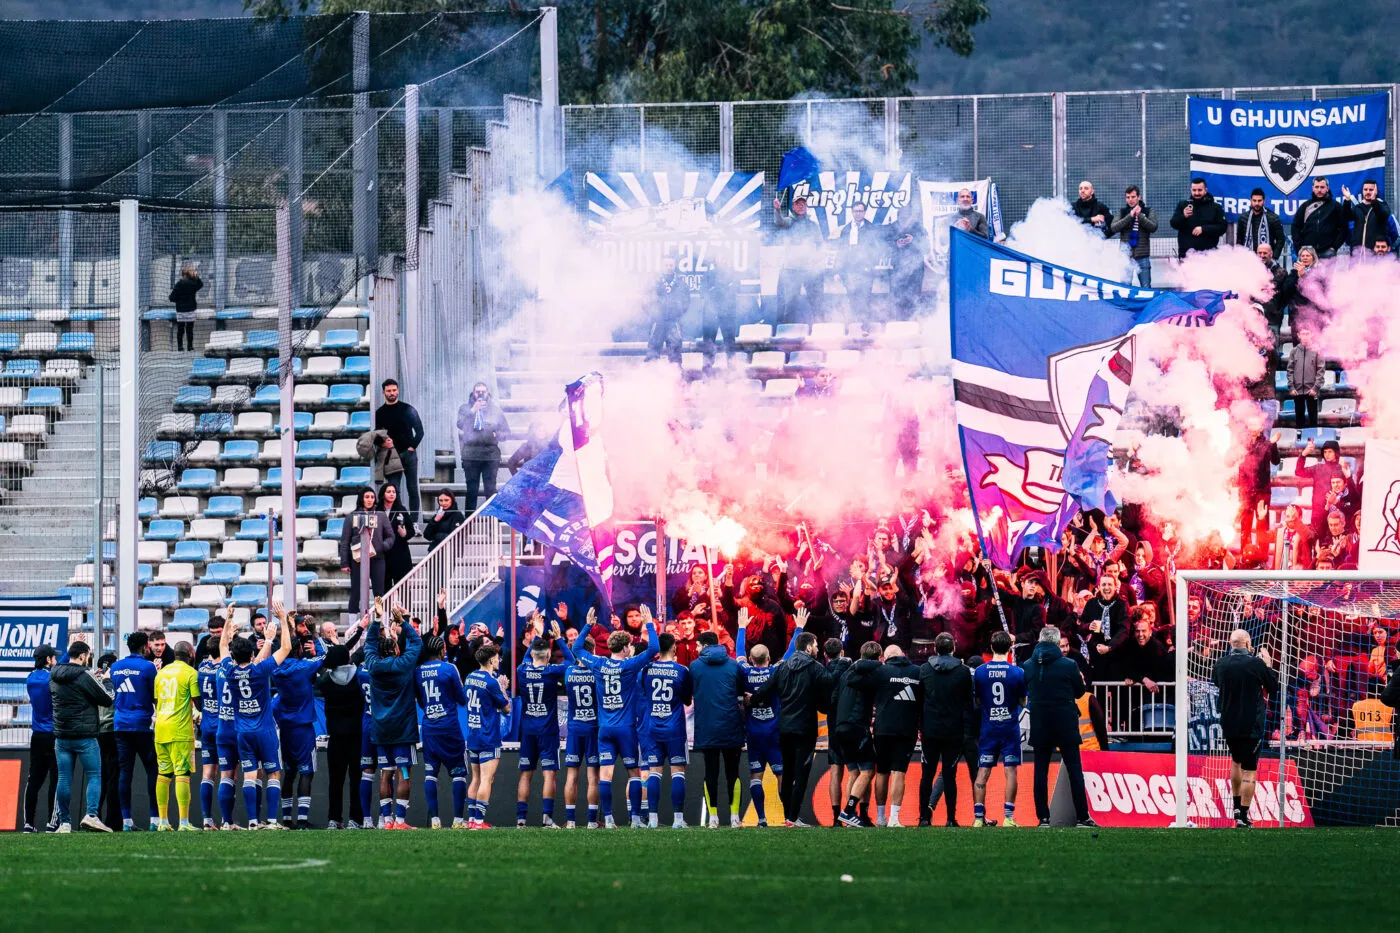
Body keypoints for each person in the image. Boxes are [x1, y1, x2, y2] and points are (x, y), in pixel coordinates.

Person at [572, 608, 658, 828]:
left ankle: (608, 819)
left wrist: (587, 626)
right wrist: (648, 623)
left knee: (606, 775)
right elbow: (654, 648)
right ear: (626, 647)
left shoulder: (599, 664)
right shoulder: (629, 665)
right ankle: (636, 819)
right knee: (634, 774)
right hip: (626, 729)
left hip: (605, 729)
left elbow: (576, 648)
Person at [220, 602, 293, 829]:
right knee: (273, 773)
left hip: (243, 731)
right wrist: (281, 620)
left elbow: (223, 645)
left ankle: (252, 822)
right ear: (252, 654)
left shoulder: (229, 671)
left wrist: (228, 619)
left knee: (249, 775)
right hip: (265, 730)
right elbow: (287, 649)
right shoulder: (259, 669)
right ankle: (271, 821)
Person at [749, 628, 829, 827]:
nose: (818, 649)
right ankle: (793, 818)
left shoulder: (782, 668)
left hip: (784, 727)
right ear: (809, 646)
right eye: (816, 645)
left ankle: (788, 817)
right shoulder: (815, 667)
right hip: (806, 728)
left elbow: (764, 690)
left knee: (788, 773)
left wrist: (751, 701)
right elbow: (828, 691)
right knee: (801, 773)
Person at [736, 611, 803, 827]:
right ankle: (787, 818)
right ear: (767, 659)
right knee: (781, 775)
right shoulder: (775, 671)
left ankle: (762, 819)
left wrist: (741, 628)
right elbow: (790, 653)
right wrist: (799, 629)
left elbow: (738, 654)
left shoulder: (745, 671)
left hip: (754, 734)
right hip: (775, 732)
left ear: (751, 659)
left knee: (755, 776)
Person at [1024, 625, 1095, 826]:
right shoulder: (1069, 665)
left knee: (1040, 771)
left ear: (1039, 640)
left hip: (1040, 722)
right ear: (1056, 643)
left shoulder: (1028, 665)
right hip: (1065, 721)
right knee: (1074, 769)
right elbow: (1081, 692)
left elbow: (1026, 688)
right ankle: (1082, 817)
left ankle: (1043, 818)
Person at [1211, 628, 1280, 827]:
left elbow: (1216, 683)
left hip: (1229, 722)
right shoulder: (1256, 664)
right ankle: (1243, 814)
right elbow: (1273, 688)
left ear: (1231, 644)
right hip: (1252, 723)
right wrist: (1268, 665)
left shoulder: (1220, 664)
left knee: (1235, 761)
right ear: (1248, 644)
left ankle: (1234, 807)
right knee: (1250, 769)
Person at [363, 603, 423, 830]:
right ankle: (399, 821)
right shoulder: (404, 664)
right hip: (403, 730)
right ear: (397, 649)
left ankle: (386, 821)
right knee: (404, 773)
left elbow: (369, 643)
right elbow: (417, 642)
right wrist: (403, 622)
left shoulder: (373, 665)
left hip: (380, 729)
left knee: (385, 774)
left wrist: (378, 619)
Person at [49, 641, 115, 832]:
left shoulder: (53, 675)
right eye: (88, 655)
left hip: (62, 736)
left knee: (63, 778)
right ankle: (92, 815)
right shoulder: (84, 675)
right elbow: (107, 698)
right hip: (85, 735)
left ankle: (65, 822)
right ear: (83, 656)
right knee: (94, 775)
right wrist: (107, 680)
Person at [689, 627, 747, 828]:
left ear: (704, 646)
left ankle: (712, 818)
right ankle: (734, 817)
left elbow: (689, 693)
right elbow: (741, 691)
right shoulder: (733, 665)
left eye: (697, 646)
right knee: (733, 773)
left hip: (706, 728)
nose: (695, 649)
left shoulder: (694, 667)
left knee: (710, 772)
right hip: (731, 726)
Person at [271, 610, 323, 830]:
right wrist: (313, 635)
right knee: (306, 772)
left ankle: (285, 819)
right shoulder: (305, 667)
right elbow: (323, 657)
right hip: (303, 727)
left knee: (289, 772)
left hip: (285, 728)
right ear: (299, 649)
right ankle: (302, 819)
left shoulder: (276, 669)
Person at [515, 623, 570, 828]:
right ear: (548, 656)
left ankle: (521, 820)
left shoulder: (522, 670)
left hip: (528, 731)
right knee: (549, 774)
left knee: (525, 774)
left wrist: (536, 636)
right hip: (547, 731)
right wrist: (559, 639)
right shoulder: (551, 671)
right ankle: (547, 819)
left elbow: (526, 658)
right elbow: (572, 660)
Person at [918, 632, 973, 827]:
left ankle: (924, 817)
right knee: (950, 775)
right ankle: (950, 818)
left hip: (930, 730)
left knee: (927, 774)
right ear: (953, 649)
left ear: (935, 648)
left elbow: (918, 701)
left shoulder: (924, 670)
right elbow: (969, 703)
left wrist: (920, 726)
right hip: (953, 730)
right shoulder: (963, 671)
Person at [971, 630, 1025, 827]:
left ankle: (978, 818)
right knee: (1010, 771)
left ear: (992, 648)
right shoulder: (1017, 672)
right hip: (1009, 728)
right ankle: (1008, 818)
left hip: (989, 728)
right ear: (1010, 648)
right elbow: (1023, 700)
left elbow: (977, 700)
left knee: (983, 771)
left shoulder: (980, 672)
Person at [639, 632, 693, 828]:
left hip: (653, 727)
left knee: (654, 772)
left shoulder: (647, 670)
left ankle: (652, 819)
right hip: (675, 728)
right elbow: (688, 698)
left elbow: (645, 692)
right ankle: (678, 820)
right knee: (678, 773)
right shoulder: (682, 671)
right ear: (674, 648)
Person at [415, 633, 469, 829]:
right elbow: (462, 699)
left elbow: (420, 700)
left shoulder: (418, 671)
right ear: (441, 650)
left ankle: (435, 820)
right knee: (459, 774)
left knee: (430, 774)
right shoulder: (449, 669)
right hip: (450, 729)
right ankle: (457, 820)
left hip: (429, 728)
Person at [111, 631, 158, 831]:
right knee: (152, 771)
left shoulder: (115, 667)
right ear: (145, 646)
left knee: (125, 773)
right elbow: (155, 695)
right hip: (142, 725)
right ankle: (155, 820)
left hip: (121, 724)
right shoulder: (148, 667)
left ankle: (126, 821)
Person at [152, 641, 201, 831]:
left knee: (163, 774)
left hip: (161, 729)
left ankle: (163, 822)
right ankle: (184, 823)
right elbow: (199, 704)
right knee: (183, 773)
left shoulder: (161, 673)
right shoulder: (191, 673)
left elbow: (156, 701)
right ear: (190, 654)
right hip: (180, 730)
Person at [871, 644, 922, 827]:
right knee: (899, 772)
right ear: (902, 654)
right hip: (906, 729)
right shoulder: (917, 672)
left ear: (885, 658)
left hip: (882, 728)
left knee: (882, 772)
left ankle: (880, 817)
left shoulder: (880, 671)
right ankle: (894, 818)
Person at [832, 641, 881, 827]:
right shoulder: (872, 671)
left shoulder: (846, 673)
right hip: (856, 727)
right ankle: (849, 811)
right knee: (868, 771)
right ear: (878, 656)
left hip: (841, 727)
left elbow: (834, 698)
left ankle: (857, 817)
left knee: (854, 772)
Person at [316, 643, 365, 830]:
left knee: (335, 781)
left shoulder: (326, 682)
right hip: (356, 736)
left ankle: (334, 818)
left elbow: (320, 674)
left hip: (335, 737)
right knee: (356, 780)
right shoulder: (358, 679)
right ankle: (356, 818)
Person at [463, 642, 511, 829]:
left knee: (475, 779)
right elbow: (506, 708)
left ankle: (472, 820)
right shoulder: (492, 682)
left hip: (473, 735)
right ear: (491, 660)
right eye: (497, 658)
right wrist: (504, 688)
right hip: (488, 736)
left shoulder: (469, 677)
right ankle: (479, 821)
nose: (499, 660)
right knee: (486, 779)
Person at [561, 626, 602, 828]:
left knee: (572, 775)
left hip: (574, 728)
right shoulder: (597, 673)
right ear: (592, 651)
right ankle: (592, 822)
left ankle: (570, 821)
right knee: (593, 775)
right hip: (593, 727)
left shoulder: (568, 672)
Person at [374, 378, 425, 520]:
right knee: (393, 491)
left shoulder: (408, 409)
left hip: (409, 455)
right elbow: (375, 435)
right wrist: (382, 443)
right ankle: (398, 520)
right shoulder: (379, 413)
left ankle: (414, 522)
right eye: (389, 391)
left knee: (413, 489)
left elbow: (420, 431)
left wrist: (411, 448)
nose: (392, 393)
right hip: (390, 456)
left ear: (398, 390)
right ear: (384, 392)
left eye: (394, 390)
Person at [773, 194, 828, 324]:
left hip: (810, 270)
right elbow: (779, 222)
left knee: (817, 302)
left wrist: (818, 261)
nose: (801, 205)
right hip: (792, 270)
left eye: (803, 203)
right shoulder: (788, 222)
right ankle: (786, 331)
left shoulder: (813, 225)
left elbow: (820, 244)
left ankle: (820, 329)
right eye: (798, 203)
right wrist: (777, 210)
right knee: (791, 302)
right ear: (793, 206)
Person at [339, 487, 394, 616]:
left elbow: (391, 536)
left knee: (379, 592)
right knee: (356, 592)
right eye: (367, 497)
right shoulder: (351, 517)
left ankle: (380, 623)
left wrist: (382, 546)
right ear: (361, 498)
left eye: (372, 497)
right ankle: (353, 625)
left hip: (377, 558)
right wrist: (344, 563)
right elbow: (345, 541)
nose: (370, 500)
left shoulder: (381, 516)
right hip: (357, 559)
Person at [456, 381, 508, 513]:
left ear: (487, 393)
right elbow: (460, 424)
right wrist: (473, 410)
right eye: (477, 391)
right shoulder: (465, 408)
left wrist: (497, 435)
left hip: (490, 455)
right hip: (471, 454)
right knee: (471, 490)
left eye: (483, 391)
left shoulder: (495, 410)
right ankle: (468, 524)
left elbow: (507, 432)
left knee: (490, 490)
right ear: (473, 393)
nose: (480, 394)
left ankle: (493, 523)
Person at [23, 645, 57, 833]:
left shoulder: (30, 679)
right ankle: (52, 823)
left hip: (37, 735)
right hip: (53, 734)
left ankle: (28, 823)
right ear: (48, 660)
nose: (56, 661)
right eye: (54, 658)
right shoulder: (51, 679)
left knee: (33, 780)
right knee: (56, 779)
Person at [837, 201, 883, 315]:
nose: (858, 213)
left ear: (864, 212)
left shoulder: (871, 228)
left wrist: (871, 264)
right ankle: (854, 325)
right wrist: (838, 271)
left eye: (860, 211)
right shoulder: (846, 230)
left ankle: (864, 328)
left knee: (865, 299)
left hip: (866, 271)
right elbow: (841, 251)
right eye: (855, 211)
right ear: (852, 212)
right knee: (852, 299)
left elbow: (877, 249)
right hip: (849, 272)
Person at [1109, 185, 1157, 287]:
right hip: (1126, 256)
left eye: (1133, 197)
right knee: (1125, 288)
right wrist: (1130, 216)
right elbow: (1114, 227)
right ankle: (1125, 303)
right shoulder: (1122, 212)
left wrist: (1140, 216)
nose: (1130, 200)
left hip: (1143, 256)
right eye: (1128, 197)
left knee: (1146, 288)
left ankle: (1146, 304)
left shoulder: (1148, 211)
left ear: (1139, 197)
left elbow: (1153, 227)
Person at [1169, 177, 1227, 258]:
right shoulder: (1183, 205)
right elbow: (1173, 224)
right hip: (1186, 255)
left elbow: (1222, 228)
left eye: (1200, 190)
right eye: (1194, 190)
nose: (1196, 193)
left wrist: (1203, 229)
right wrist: (1183, 216)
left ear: (1205, 190)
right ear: (1190, 190)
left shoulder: (1216, 207)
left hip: (1209, 254)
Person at [1291, 176, 1347, 258]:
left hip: (1328, 252)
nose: (1319, 190)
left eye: (1322, 187)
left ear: (1327, 188)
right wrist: (1299, 247)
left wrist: (1334, 247)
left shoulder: (1335, 206)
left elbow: (1344, 228)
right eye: (1317, 187)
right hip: (1308, 253)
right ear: (1312, 188)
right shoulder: (1305, 206)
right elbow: (1295, 227)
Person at [646, 255, 689, 363]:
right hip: (658, 321)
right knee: (653, 348)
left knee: (675, 348)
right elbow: (645, 300)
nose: (668, 267)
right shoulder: (653, 281)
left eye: (671, 265)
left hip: (674, 321)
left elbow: (687, 300)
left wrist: (678, 313)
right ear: (662, 266)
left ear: (674, 266)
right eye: (666, 265)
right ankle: (651, 373)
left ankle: (675, 373)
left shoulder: (680, 282)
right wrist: (653, 314)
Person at [380, 483, 415, 590]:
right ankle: (382, 608)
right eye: (389, 492)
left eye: (394, 492)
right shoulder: (377, 509)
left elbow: (411, 530)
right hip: (383, 556)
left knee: (403, 590)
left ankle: (404, 607)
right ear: (383, 494)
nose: (391, 494)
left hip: (400, 556)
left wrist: (405, 534)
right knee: (383, 590)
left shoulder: (401, 509)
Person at [357, 428, 404, 504]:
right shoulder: (382, 438)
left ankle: (399, 510)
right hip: (392, 468)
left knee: (394, 492)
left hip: (393, 469)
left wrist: (379, 478)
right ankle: (396, 510)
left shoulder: (383, 440)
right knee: (394, 492)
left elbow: (380, 463)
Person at [1235, 188, 1284, 258]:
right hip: (1248, 258)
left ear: (1264, 201)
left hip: (1267, 259)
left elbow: (1281, 240)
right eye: (1254, 201)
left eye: (1259, 201)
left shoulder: (1273, 218)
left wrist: (1274, 257)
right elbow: (1239, 240)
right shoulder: (1243, 218)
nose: (1257, 203)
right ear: (1250, 200)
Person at [1287, 337, 1324, 429]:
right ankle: (1299, 441)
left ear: (1311, 334)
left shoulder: (1317, 351)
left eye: (1307, 333)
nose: (1305, 336)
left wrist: (1315, 388)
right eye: (1303, 333)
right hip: (1297, 391)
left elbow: (1321, 370)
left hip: (1312, 391)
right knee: (1299, 421)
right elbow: (1289, 370)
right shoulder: (1294, 351)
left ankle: (1312, 441)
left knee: (1313, 420)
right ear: (1299, 335)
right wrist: (1291, 387)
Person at [168, 265, 203, 352]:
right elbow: (200, 284)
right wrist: (196, 276)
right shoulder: (192, 284)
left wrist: (179, 300)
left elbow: (171, 298)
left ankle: (180, 347)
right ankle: (190, 347)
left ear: (183, 275)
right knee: (189, 329)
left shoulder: (179, 284)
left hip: (180, 310)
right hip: (190, 310)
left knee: (180, 329)